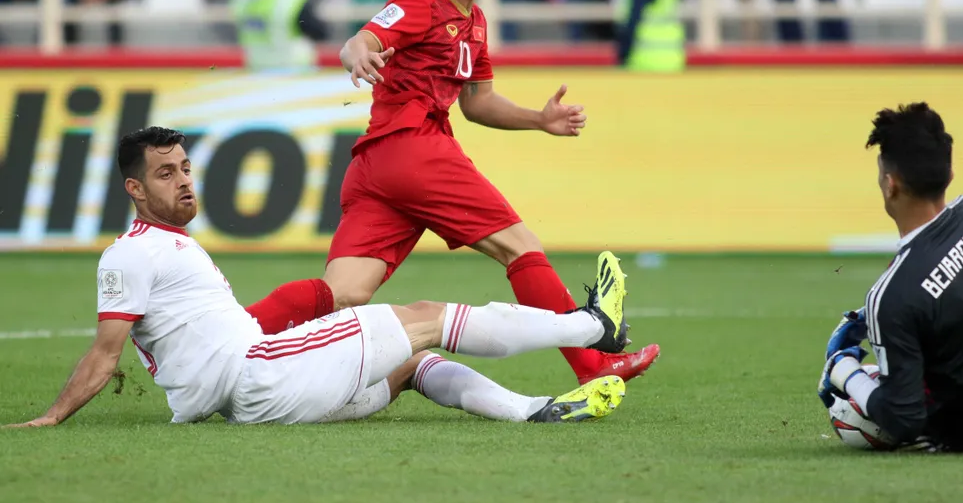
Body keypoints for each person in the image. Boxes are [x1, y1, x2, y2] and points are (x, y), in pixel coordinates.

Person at [6, 127, 629, 428]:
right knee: (425, 317)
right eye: (166, 173)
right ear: (134, 189)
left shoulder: (166, 245)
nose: (186, 180)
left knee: (409, 366)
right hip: (261, 372)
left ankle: (537, 411)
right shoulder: (130, 254)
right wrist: (53, 416)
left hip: (250, 399)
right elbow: (105, 351)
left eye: (186, 167)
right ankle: (591, 324)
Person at [329, 0, 660, 386]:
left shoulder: (475, 22)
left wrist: (539, 120)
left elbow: (477, 102)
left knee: (343, 294)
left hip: (377, 166)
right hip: (414, 147)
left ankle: (248, 346)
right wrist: (356, 54)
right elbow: (364, 39)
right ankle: (593, 365)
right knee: (520, 246)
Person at [819, 103, 963, 452]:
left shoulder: (893, 295)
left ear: (890, 185)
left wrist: (844, 373)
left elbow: (904, 418)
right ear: (949, 173)